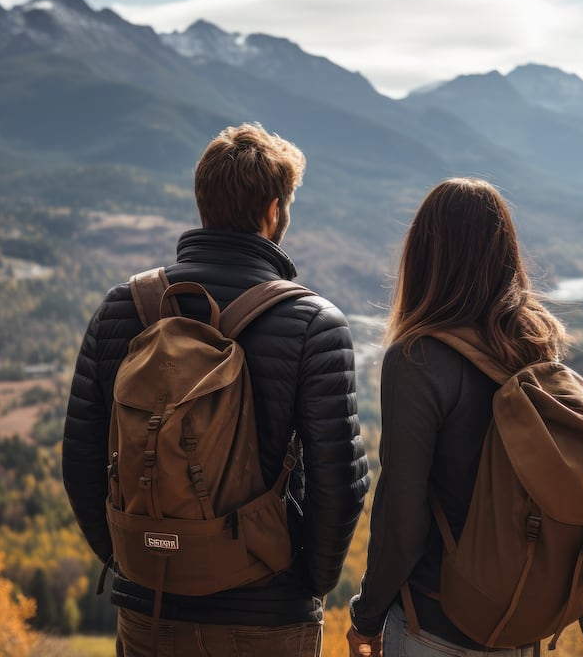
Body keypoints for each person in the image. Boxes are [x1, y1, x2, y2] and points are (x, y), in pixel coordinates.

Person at [63, 123, 369, 657]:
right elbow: (340, 480)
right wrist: (307, 584)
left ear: (202, 202)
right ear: (273, 212)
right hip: (267, 616)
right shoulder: (313, 323)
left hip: (149, 610)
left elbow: (80, 456)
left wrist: (130, 557)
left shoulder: (122, 309)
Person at [347, 177, 570, 656]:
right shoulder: (536, 348)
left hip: (437, 625)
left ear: (425, 256)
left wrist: (366, 617)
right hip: (518, 623)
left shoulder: (417, 359)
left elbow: (401, 521)